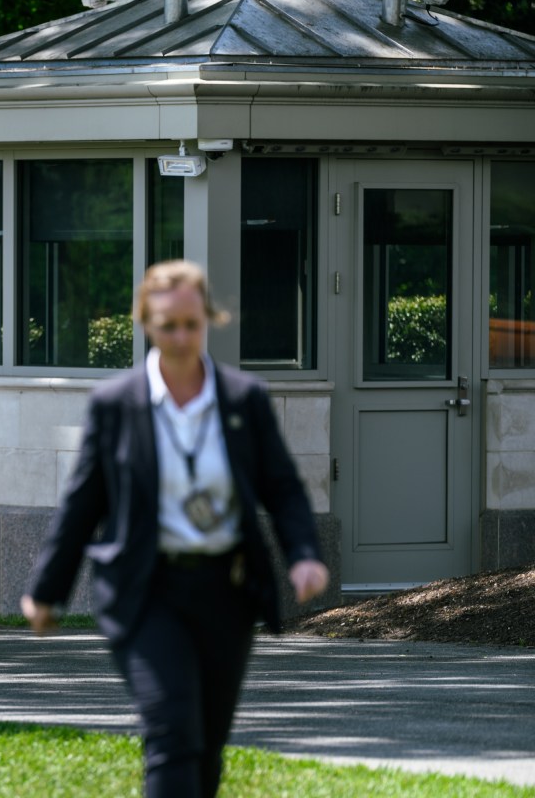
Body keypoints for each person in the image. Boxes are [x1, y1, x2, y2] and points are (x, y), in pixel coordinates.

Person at [22, 260, 329, 798]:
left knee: (206, 744)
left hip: (226, 591)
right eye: (168, 326)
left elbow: (281, 487)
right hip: (146, 591)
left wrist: (304, 553)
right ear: (146, 323)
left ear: (209, 319)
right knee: (172, 728)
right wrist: (47, 590)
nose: (182, 337)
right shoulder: (117, 405)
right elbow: (83, 502)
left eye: (192, 324)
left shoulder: (243, 399)